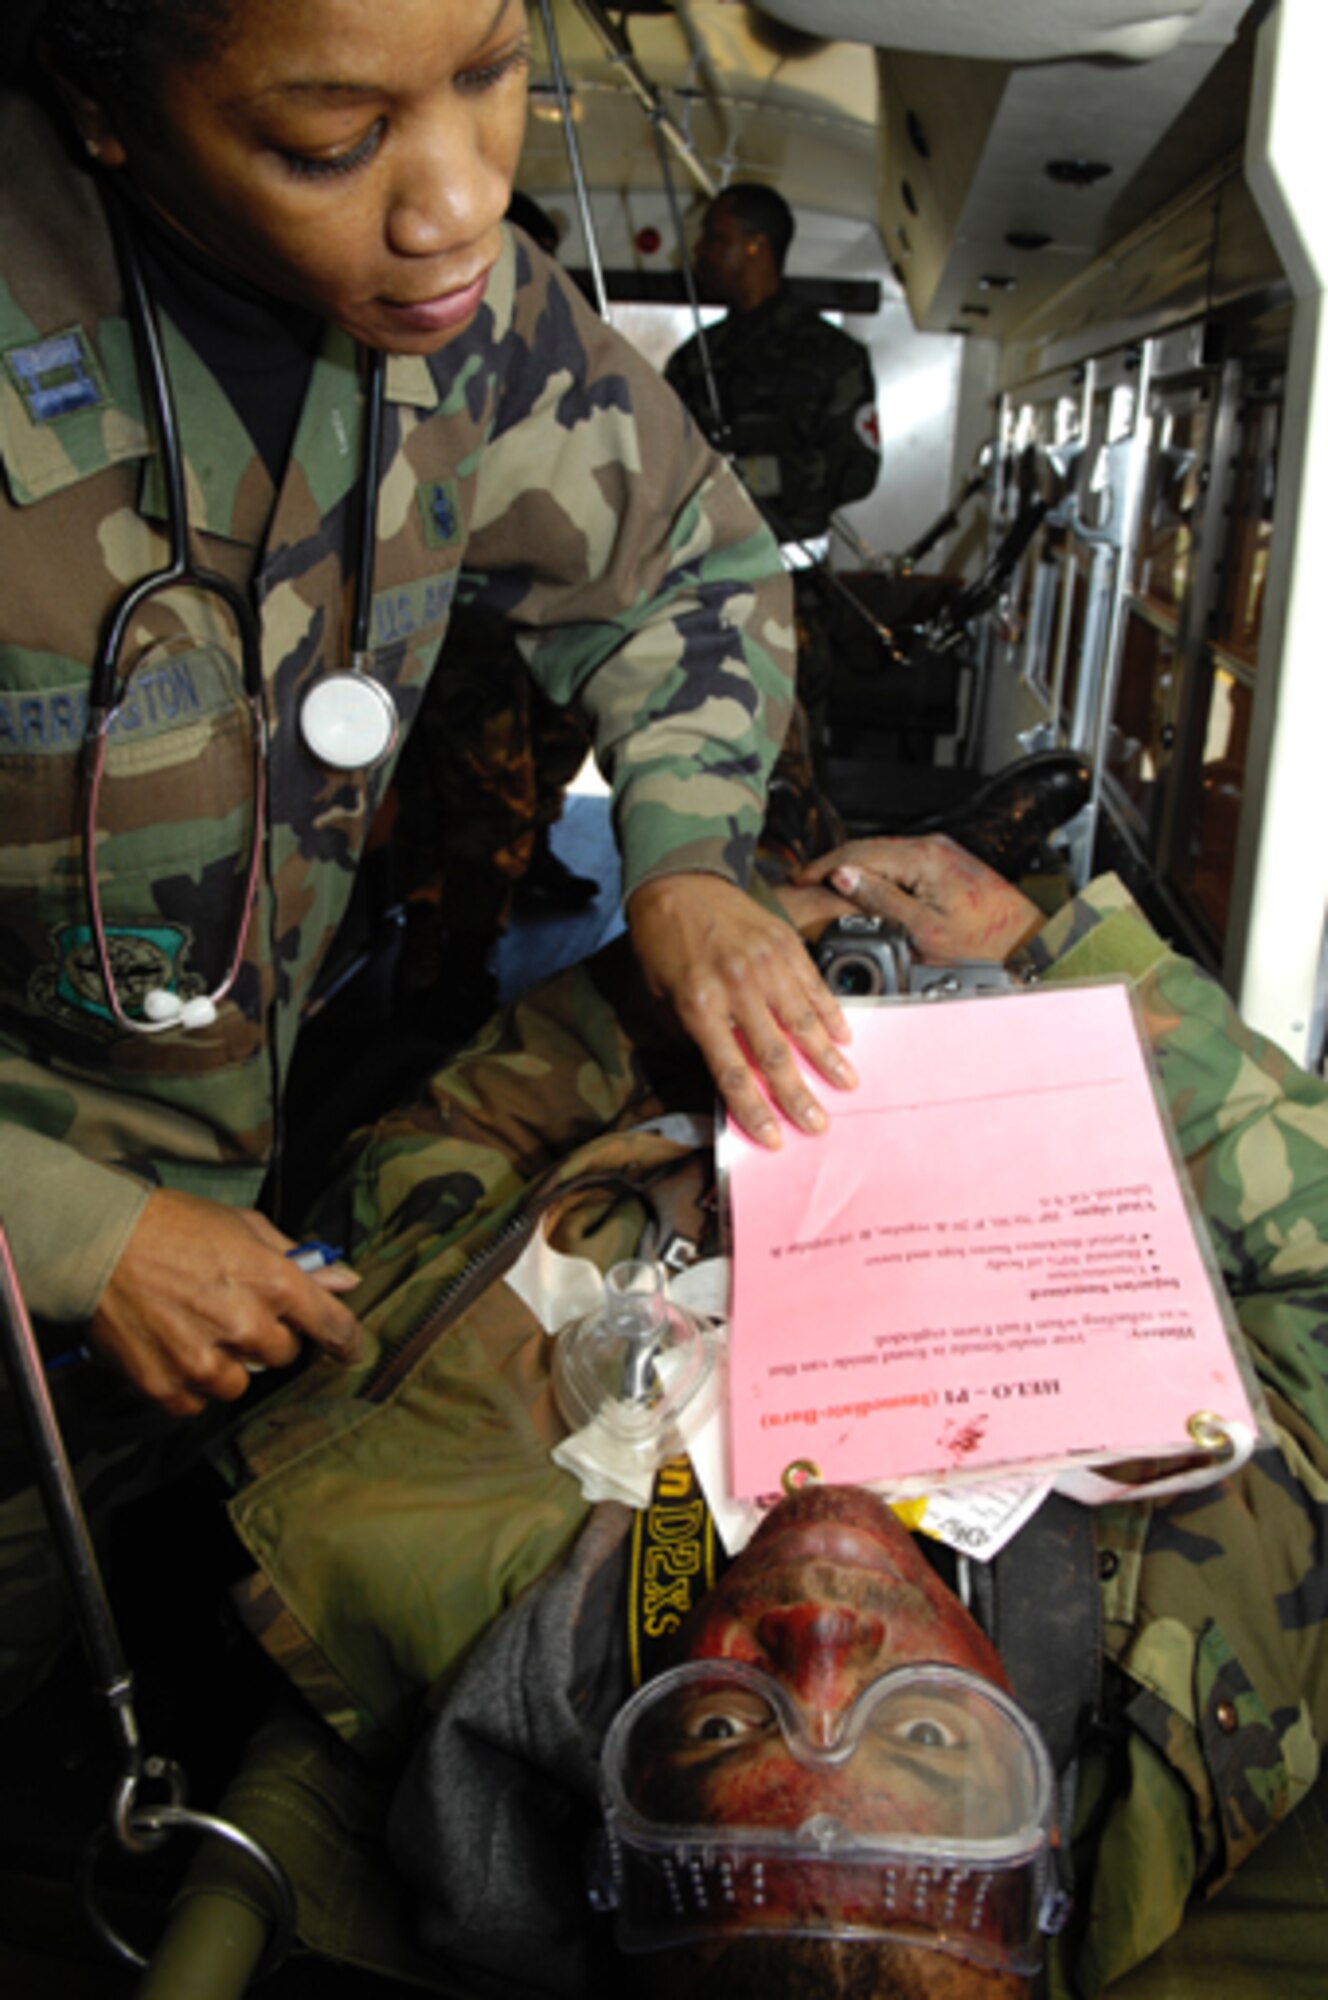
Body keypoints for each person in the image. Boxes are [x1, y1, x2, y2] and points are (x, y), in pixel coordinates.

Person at [0, 0, 866, 1421]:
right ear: (108, 115)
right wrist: (74, 1237)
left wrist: (688, 865)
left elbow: (686, 571)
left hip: (235, 1219)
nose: (461, 206)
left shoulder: (484, 319)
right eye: (333, 141)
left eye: (490, 72)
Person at [335, 832, 1328, 2000]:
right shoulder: (1200, 1643)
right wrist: (1060, 956)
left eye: (720, 1732)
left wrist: (686, 971)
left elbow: (423, 1163)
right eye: (921, 1734)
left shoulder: (460, 1546)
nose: (818, 1638)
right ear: (1038, 1806)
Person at [389, 189, 598, 1045]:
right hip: (455, 620)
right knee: (477, 801)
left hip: (537, 610)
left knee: (531, 773)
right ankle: (448, 965)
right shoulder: (420, 353)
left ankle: (472, 931)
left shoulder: (552, 362)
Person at [665, 182, 881, 732]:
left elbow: (857, 469)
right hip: (702, 597)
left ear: (757, 246)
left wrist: (753, 475)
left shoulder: (832, 356)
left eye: (717, 238)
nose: (702, 252)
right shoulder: (695, 361)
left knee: (791, 764)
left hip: (792, 600)